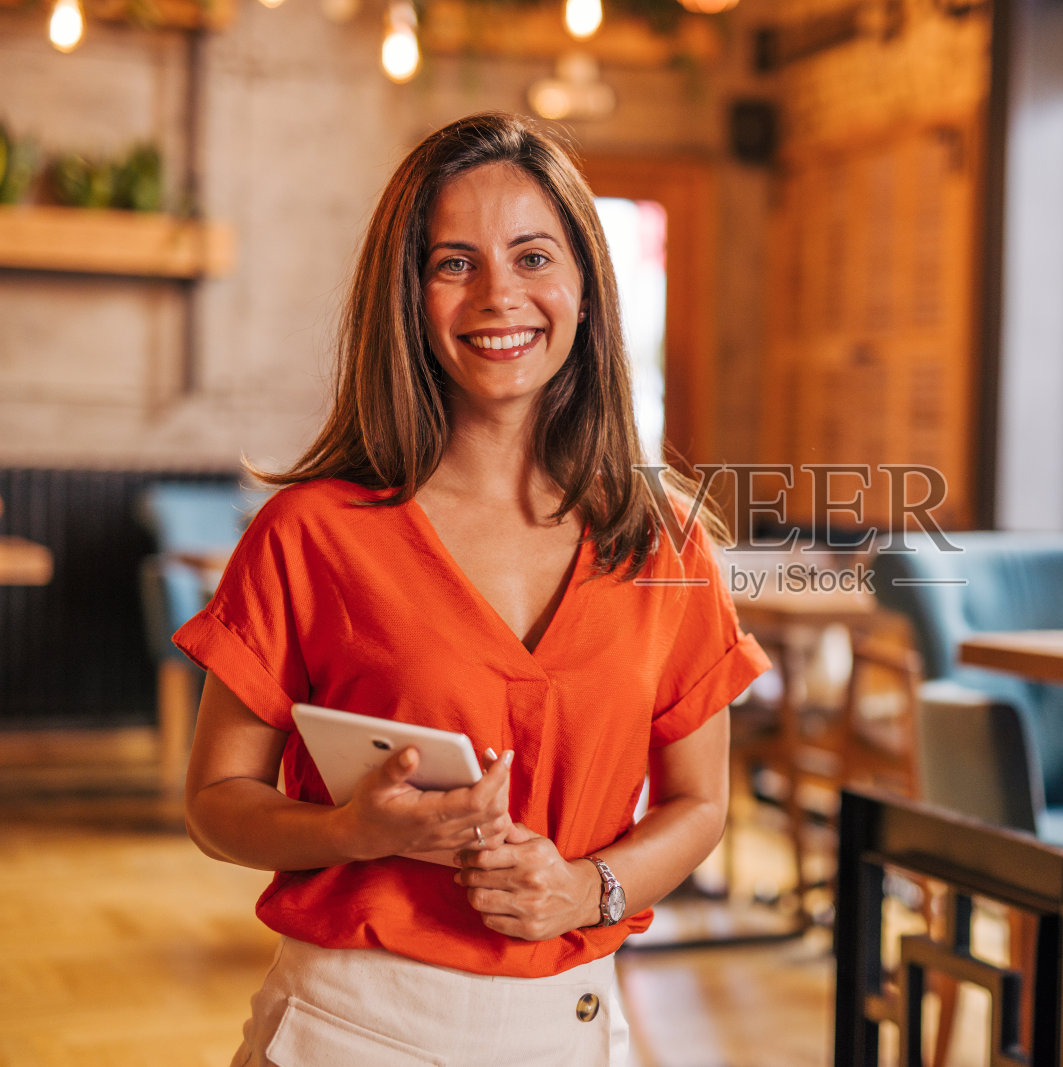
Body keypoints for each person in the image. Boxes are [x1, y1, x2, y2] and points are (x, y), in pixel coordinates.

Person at [177, 111, 769, 1066]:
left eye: (534, 257)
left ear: (584, 287)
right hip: (351, 1028)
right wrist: (351, 830)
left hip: (578, 1027)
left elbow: (701, 803)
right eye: (455, 263)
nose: (501, 296)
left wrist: (589, 889)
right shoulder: (311, 533)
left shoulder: (664, 539)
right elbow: (214, 800)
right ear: (408, 297)